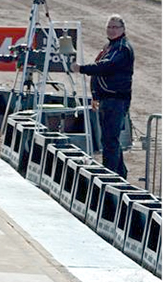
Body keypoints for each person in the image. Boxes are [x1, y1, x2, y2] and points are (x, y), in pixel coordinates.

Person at [71, 14, 134, 179]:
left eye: (115, 27)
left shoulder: (122, 48)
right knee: (109, 139)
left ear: (123, 29)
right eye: (109, 27)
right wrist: (95, 95)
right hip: (107, 99)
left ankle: (111, 177)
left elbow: (106, 67)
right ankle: (119, 174)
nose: (112, 30)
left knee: (110, 141)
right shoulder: (110, 46)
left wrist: (81, 68)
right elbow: (100, 73)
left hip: (116, 100)